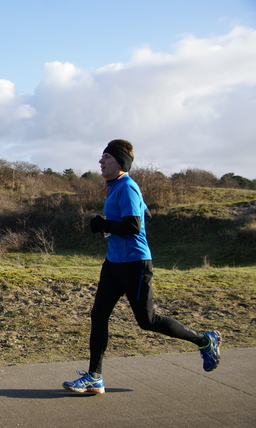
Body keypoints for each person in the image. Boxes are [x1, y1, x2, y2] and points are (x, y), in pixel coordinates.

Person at [62, 139, 221, 395]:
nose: (101, 161)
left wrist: (104, 225)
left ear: (121, 162)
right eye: (101, 157)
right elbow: (145, 215)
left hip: (135, 264)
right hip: (114, 263)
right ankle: (94, 377)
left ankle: (204, 340)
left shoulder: (127, 187)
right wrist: (109, 227)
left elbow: (135, 225)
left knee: (147, 321)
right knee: (99, 315)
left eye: (107, 158)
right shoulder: (113, 187)